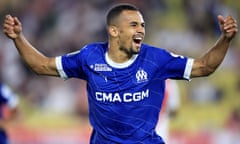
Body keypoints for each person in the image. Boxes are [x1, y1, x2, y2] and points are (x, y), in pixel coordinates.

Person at [3, 3, 238, 144]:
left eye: (143, 25)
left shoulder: (156, 59)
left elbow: (204, 67)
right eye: (134, 25)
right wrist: (19, 38)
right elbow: (41, 65)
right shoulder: (89, 57)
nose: (141, 30)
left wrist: (225, 39)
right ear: (114, 31)